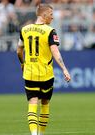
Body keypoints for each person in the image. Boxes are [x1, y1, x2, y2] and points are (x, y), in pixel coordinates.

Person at [16, 4, 71, 135]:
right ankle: (41, 134)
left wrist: (23, 64)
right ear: (44, 15)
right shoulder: (50, 31)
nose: (52, 17)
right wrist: (64, 69)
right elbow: (55, 52)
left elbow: (19, 50)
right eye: (51, 14)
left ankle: (34, 134)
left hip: (30, 74)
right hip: (46, 74)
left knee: (32, 103)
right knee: (45, 104)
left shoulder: (24, 30)